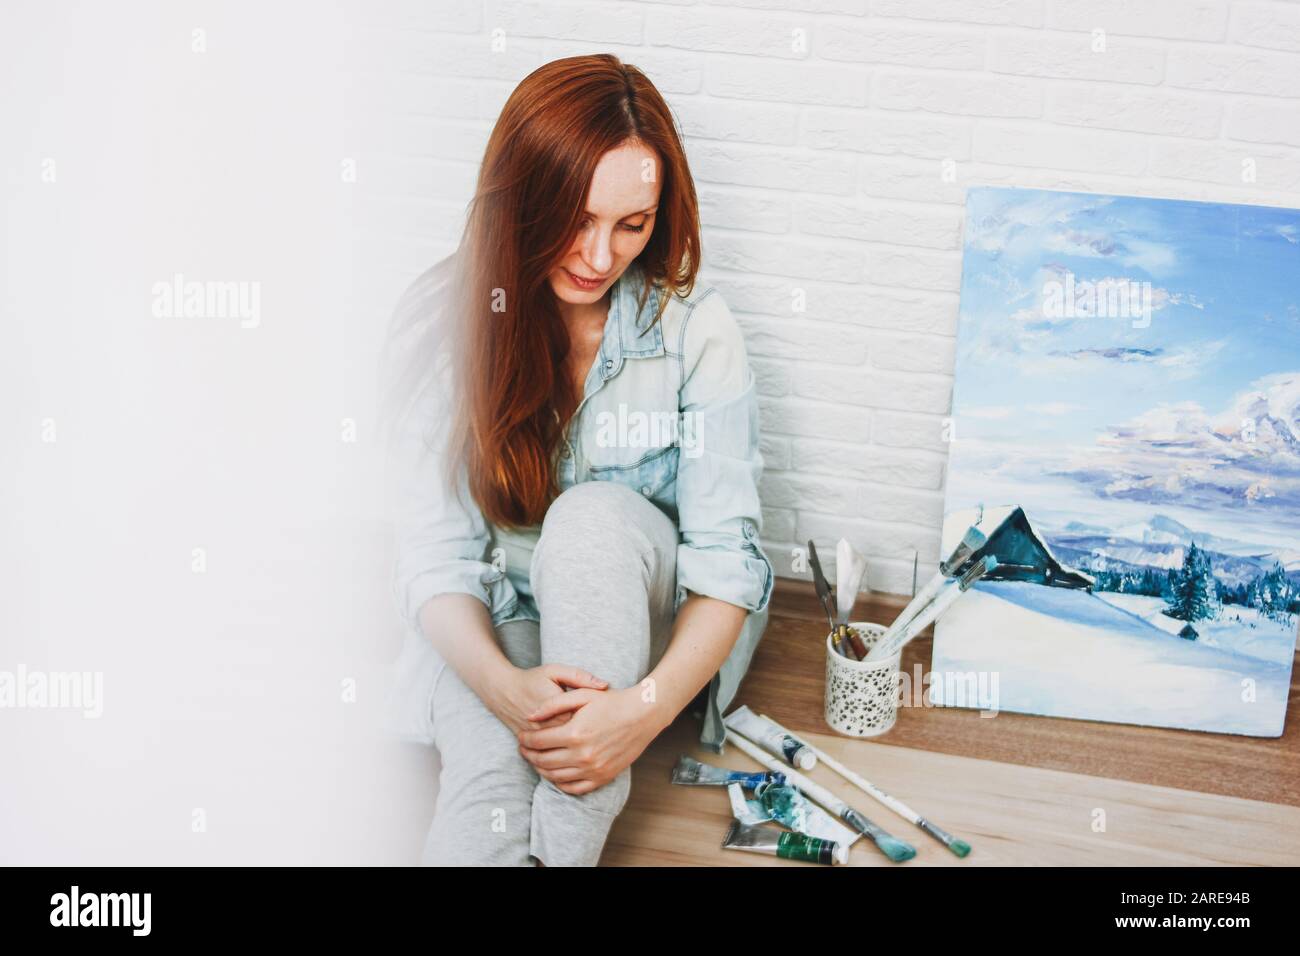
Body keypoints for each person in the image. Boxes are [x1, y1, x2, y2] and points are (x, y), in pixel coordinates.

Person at [380, 53, 772, 867]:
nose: (599, 256)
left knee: (589, 518)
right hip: (500, 622)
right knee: (487, 779)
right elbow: (437, 560)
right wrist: (504, 689)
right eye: (576, 218)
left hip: (639, 621)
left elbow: (727, 570)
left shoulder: (696, 332)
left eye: (632, 225)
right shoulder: (451, 324)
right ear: (521, 199)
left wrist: (639, 713)